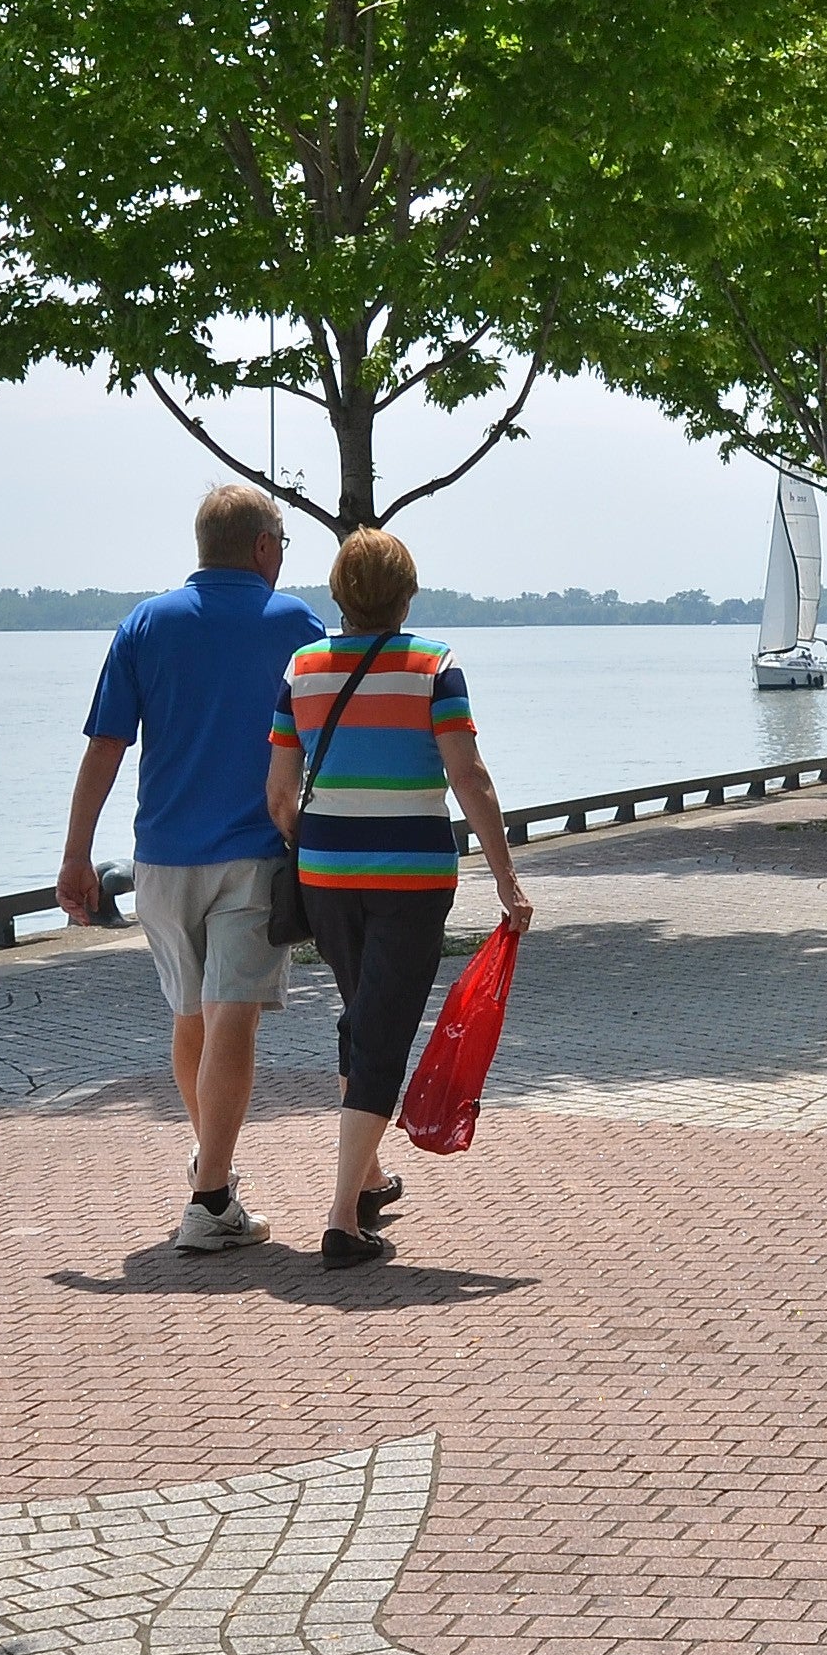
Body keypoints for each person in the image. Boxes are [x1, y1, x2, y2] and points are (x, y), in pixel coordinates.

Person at [61, 483, 323, 1254]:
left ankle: (215, 1178)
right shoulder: (297, 623)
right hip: (254, 852)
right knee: (232, 1013)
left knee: (191, 1015)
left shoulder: (145, 623)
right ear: (264, 548)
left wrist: (75, 855)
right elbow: (326, 739)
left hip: (161, 859)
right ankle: (209, 1197)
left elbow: (105, 747)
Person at [267, 526, 533, 1270]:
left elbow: (279, 794)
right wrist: (506, 877)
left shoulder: (302, 668)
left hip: (325, 877)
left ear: (339, 594)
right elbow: (468, 776)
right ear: (406, 592)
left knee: (363, 1015)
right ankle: (342, 1220)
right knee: (382, 1033)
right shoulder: (434, 667)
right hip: (411, 881)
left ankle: (371, 1175)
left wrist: (318, 844)